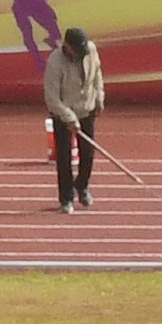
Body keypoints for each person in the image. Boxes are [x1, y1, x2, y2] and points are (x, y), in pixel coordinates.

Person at [43, 23, 105, 209]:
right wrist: (69, 118)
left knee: (88, 154)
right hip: (63, 114)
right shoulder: (55, 62)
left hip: (86, 108)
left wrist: (99, 96)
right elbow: (51, 98)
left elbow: (97, 74)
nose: (81, 53)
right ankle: (66, 198)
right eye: (77, 50)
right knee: (64, 157)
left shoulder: (90, 51)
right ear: (68, 47)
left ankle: (82, 186)